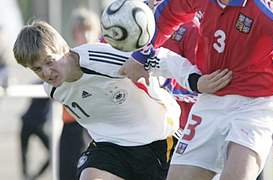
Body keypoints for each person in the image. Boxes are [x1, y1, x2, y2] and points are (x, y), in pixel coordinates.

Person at [120, 0, 273, 180]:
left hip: (258, 105)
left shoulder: (268, 10)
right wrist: (141, 55)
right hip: (211, 101)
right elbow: (167, 13)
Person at [12, 20, 231, 180]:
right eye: (37, 69)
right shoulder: (52, 89)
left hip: (158, 141)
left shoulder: (101, 58)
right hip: (111, 148)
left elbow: (157, 57)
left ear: (63, 49)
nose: (47, 72)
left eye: (50, 61)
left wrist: (195, 81)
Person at [58, 8, 100, 180]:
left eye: (88, 30)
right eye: (80, 31)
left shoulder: (103, 57)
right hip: (72, 128)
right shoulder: (66, 60)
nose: (85, 35)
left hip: (96, 128)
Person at [19, 81, 51, 180]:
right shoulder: (43, 84)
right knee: (24, 151)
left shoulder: (50, 85)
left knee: (53, 152)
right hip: (29, 121)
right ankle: (26, 176)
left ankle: (33, 177)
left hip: (37, 123)